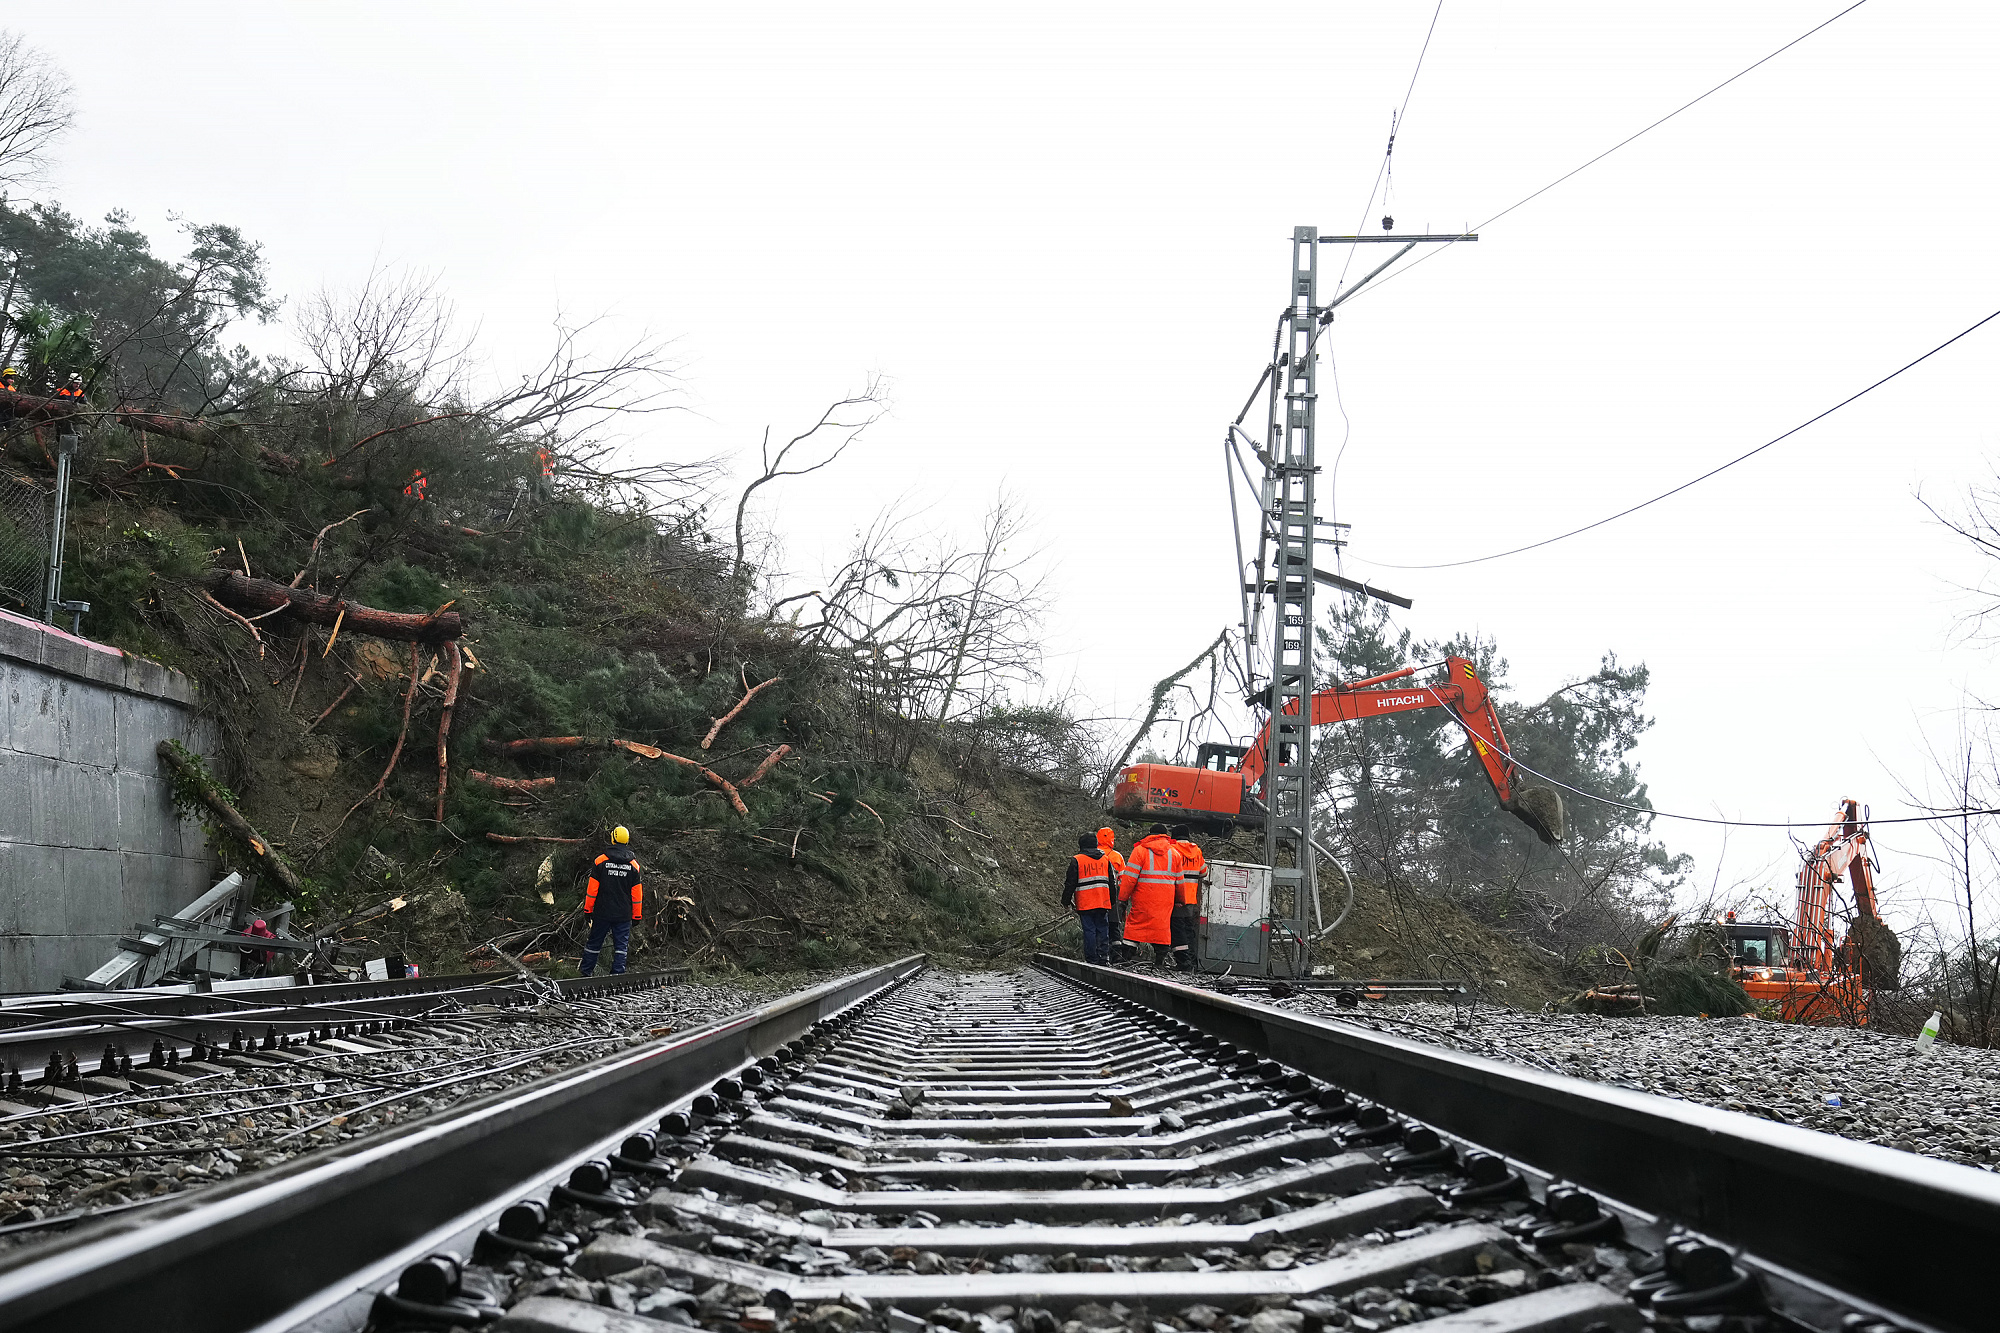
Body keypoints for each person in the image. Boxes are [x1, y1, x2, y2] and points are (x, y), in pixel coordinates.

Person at [580, 825, 644, 976]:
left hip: (602, 912)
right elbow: (637, 895)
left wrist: (588, 910)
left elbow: (591, 891)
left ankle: (585, 973)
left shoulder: (600, 861)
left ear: (613, 838)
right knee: (621, 947)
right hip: (623, 914)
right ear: (627, 840)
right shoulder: (634, 866)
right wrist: (637, 916)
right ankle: (617, 976)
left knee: (594, 943)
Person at [1116, 823, 1182, 967]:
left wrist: (1122, 898)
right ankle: (1159, 960)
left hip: (1142, 899)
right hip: (1165, 902)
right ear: (1165, 835)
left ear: (1150, 834)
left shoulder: (1140, 851)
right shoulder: (1175, 854)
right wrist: (1180, 900)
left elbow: (1129, 879)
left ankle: (1126, 957)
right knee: (1161, 929)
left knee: (1135, 927)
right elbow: (1180, 883)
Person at [1063, 831, 1117, 965]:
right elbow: (1112, 882)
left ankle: (1092, 959)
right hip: (1103, 901)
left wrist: (1065, 901)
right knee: (1103, 929)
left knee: (1089, 931)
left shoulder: (1077, 860)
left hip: (1085, 902)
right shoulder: (1106, 859)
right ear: (1096, 844)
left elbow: (1070, 883)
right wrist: (1112, 900)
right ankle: (1104, 958)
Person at [1170, 824, 1205, 972]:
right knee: (1189, 930)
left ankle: (1183, 963)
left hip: (1176, 898)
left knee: (1178, 931)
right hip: (1191, 899)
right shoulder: (1196, 851)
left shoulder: (1173, 849)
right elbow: (1203, 872)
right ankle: (1191, 961)